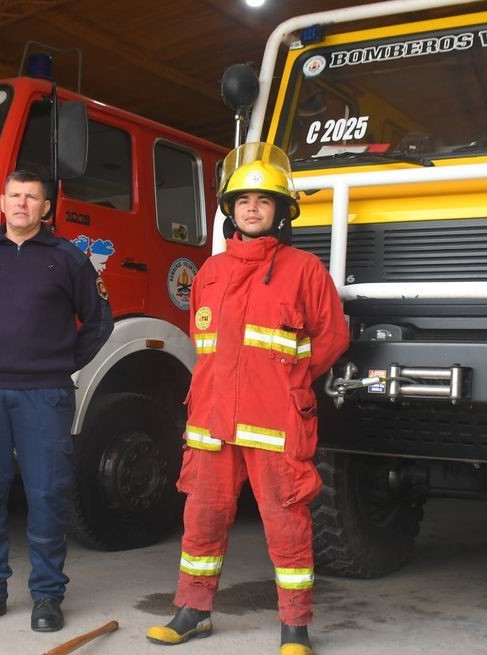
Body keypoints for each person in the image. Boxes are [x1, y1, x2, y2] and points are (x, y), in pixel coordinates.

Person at [146, 143, 349, 655]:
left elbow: (331, 338)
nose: (252, 208)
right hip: (213, 419)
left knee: (287, 522)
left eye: (263, 200)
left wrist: (290, 380)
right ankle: (193, 611)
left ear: (281, 211)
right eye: (242, 201)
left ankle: (295, 627)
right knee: (202, 518)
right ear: (229, 211)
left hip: (275, 420)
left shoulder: (304, 270)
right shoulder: (210, 271)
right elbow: (203, 337)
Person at [0, 170, 114, 633]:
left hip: (45, 394)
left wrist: (57, 363)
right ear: (2, 203)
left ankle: (46, 596)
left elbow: (99, 322)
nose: (22, 204)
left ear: (45, 208)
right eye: (15, 196)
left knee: (47, 494)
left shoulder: (68, 259)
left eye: (32, 197)